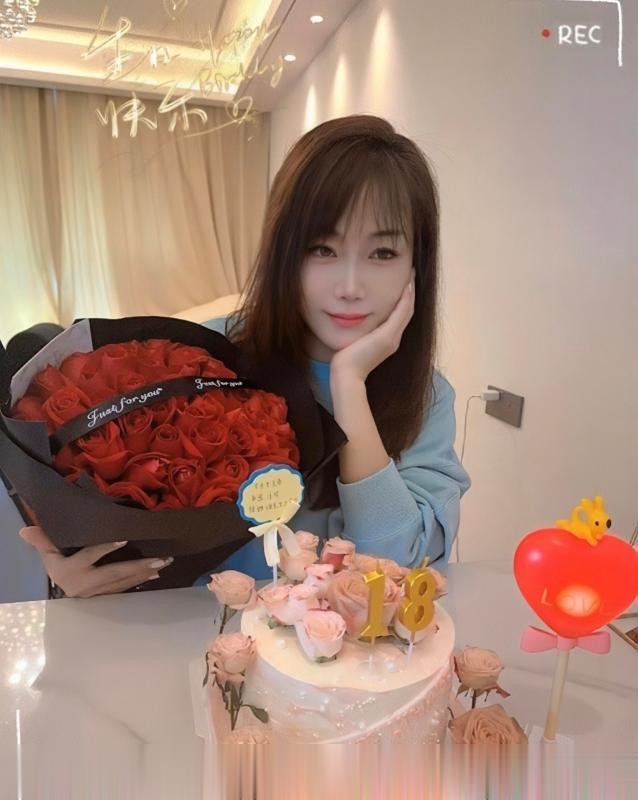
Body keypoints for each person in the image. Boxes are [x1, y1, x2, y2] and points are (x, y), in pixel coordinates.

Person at [19, 114, 470, 595]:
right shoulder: (204, 357)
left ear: (417, 265)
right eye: (322, 249)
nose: (350, 286)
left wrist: (349, 385)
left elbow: (394, 569)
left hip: (334, 643)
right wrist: (71, 570)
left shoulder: (425, 397)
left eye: (382, 254)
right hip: (188, 630)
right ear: (283, 251)